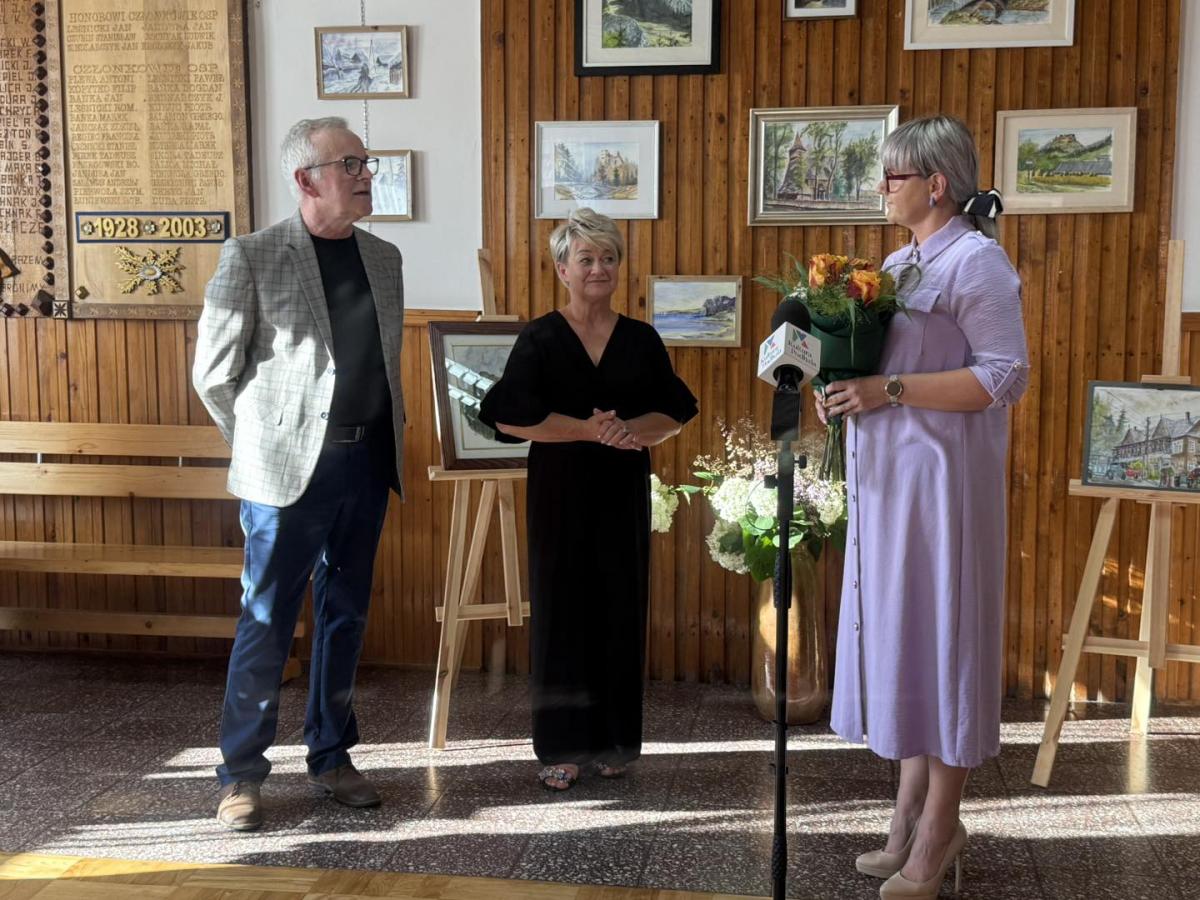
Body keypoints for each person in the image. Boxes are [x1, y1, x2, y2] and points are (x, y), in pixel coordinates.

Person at [815, 116, 1029, 899]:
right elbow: (881, 369)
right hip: (889, 485)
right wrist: (844, 392)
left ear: (936, 185)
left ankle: (940, 828)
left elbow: (1005, 375)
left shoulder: (978, 262)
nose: (882, 188)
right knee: (906, 637)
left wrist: (890, 389)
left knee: (945, 641)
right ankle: (906, 813)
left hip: (944, 489)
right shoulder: (898, 264)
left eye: (894, 176)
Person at [193, 116, 406, 831]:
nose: (366, 174)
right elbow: (213, 375)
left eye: (365, 162)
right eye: (350, 164)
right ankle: (240, 774)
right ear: (305, 179)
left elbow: (383, 365)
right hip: (284, 477)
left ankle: (332, 756)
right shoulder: (251, 256)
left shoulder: (384, 259)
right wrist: (263, 447)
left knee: (345, 616)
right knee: (266, 619)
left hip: (366, 463)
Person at [477, 207, 697, 791]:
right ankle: (563, 747)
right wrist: (586, 429)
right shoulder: (540, 337)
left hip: (622, 491)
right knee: (562, 613)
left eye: (608, 258)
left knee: (620, 609)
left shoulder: (641, 339)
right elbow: (507, 416)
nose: (598, 268)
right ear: (562, 270)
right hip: (560, 492)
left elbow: (674, 412)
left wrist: (627, 431)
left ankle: (614, 742)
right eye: (586, 259)